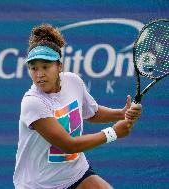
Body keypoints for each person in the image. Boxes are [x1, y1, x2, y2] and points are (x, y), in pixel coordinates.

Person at [13, 23, 142, 189]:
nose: (39, 74)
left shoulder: (73, 81)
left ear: (59, 66)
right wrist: (113, 133)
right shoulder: (33, 103)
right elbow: (68, 145)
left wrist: (122, 113)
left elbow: (92, 113)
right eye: (33, 68)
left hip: (76, 174)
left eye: (45, 67)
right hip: (39, 185)